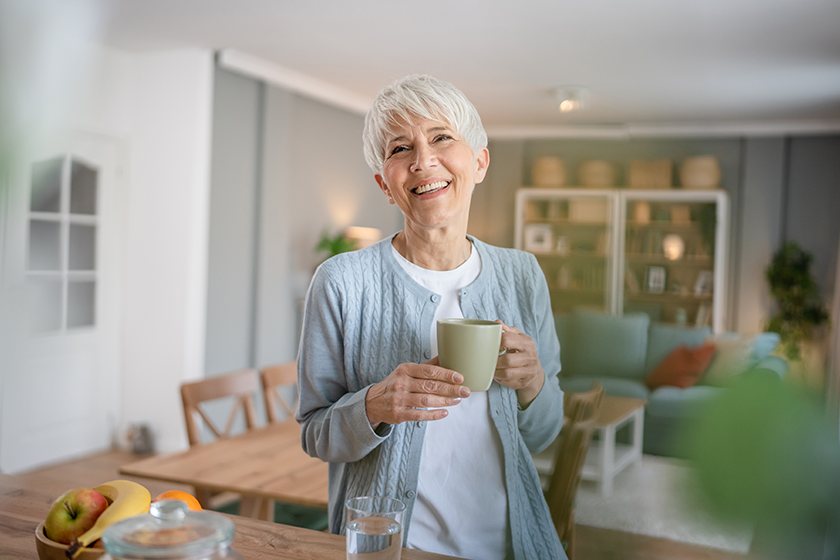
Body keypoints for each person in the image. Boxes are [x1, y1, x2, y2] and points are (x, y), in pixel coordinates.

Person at [297, 74, 566, 560]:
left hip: (510, 545)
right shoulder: (339, 282)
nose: (423, 161)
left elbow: (545, 433)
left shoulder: (523, 274)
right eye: (401, 148)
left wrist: (533, 383)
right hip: (391, 547)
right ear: (385, 183)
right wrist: (374, 406)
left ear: (479, 162)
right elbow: (314, 433)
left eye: (442, 137)